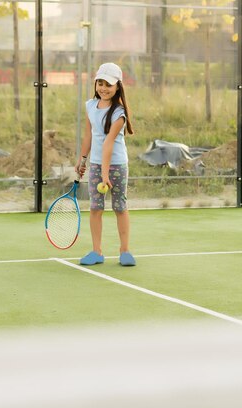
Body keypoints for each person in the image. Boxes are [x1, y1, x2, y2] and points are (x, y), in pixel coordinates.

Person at [75, 62, 136, 267]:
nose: (103, 88)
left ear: (117, 86)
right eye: (100, 83)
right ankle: (96, 252)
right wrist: (82, 160)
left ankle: (125, 251)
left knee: (119, 207)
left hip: (117, 166)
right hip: (96, 165)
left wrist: (105, 174)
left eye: (108, 84)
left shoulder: (119, 113)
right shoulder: (90, 106)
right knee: (95, 208)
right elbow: (88, 136)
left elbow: (108, 143)